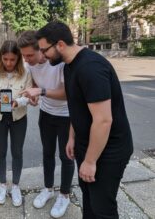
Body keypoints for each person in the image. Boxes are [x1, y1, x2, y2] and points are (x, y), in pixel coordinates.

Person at [36, 21, 133, 219]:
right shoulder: (69, 66)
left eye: (44, 50)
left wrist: (90, 161)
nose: (42, 56)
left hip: (108, 151)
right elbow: (77, 106)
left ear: (60, 45)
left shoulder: (90, 68)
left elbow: (103, 120)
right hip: (87, 145)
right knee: (89, 202)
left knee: (102, 209)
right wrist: (73, 137)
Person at [17, 31, 75, 218]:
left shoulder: (58, 63)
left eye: (30, 55)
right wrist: (34, 97)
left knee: (66, 156)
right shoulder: (30, 65)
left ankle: (65, 195)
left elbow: (67, 93)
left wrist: (40, 91)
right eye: (24, 55)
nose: (26, 60)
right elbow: (35, 85)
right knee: (47, 154)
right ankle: (48, 188)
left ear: (41, 50)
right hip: (47, 113)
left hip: (66, 115)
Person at [0, 40, 32, 207]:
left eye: (12, 59)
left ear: (18, 58)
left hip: (18, 117)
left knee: (17, 152)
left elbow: (28, 96)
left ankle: (16, 186)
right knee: (1, 151)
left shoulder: (26, 73)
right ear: (1, 57)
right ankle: (2, 184)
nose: (8, 63)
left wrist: (18, 101)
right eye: (5, 59)